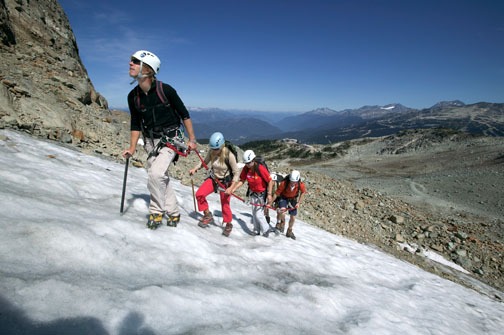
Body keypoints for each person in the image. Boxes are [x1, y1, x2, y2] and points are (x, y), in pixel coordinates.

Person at [122, 50, 197, 229]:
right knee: (161, 176)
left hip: (171, 139)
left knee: (155, 174)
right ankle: (174, 211)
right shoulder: (133, 97)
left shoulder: (166, 90)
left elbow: (184, 115)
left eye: (135, 61)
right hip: (150, 142)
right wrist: (132, 148)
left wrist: (192, 139)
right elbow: (135, 124)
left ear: (147, 68)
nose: (130, 63)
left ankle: (156, 211)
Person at [189, 132, 239, 236]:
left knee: (225, 204)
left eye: (216, 149)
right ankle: (207, 215)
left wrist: (231, 187)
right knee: (199, 194)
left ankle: (228, 224)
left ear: (221, 146)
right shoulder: (212, 152)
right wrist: (195, 169)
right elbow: (205, 162)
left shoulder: (229, 155)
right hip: (214, 179)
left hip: (225, 182)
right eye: (213, 148)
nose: (214, 151)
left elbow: (236, 173)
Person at [226, 150, 274, 237]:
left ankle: (266, 230)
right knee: (254, 213)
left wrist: (269, 194)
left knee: (258, 214)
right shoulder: (246, 168)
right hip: (253, 193)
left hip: (262, 193)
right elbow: (242, 180)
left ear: (253, 160)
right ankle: (256, 230)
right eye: (246, 163)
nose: (247, 165)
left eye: (249, 163)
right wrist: (233, 189)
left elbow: (270, 180)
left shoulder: (260, 168)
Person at [270, 170, 307, 240]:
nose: (292, 183)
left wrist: (299, 203)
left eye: (294, 182)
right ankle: (280, 223)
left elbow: (303, 192)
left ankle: (289, 230)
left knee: (293, 217)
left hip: (293, 199)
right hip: (284, 198)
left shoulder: (300, 184)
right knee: (282, 212)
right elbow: (276, 193)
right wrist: (270, 203)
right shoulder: (284, 183)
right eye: (291, 181)